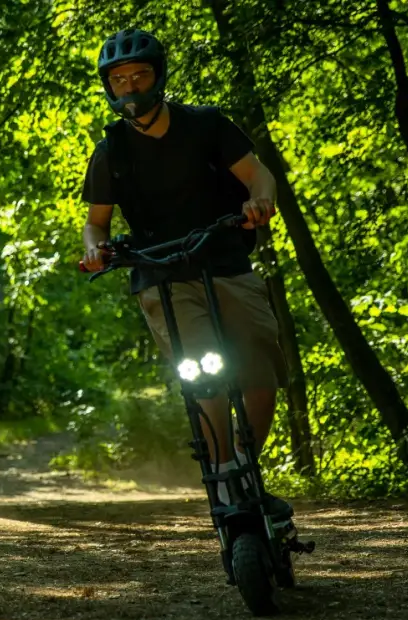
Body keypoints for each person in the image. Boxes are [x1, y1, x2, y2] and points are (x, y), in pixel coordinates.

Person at [80, 28, 292, 516]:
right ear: (109, 87)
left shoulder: (206, 125)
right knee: (203, 374)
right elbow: (95, 224)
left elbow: (258, 175)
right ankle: (223, 473)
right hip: (161, 274)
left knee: (260, 373)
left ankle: (246, 465)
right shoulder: (111, 151)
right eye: (119, 80)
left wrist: (261, 201)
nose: (130, 87)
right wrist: (95, 251)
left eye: (139, 75)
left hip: (226, 260)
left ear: (158, 77)